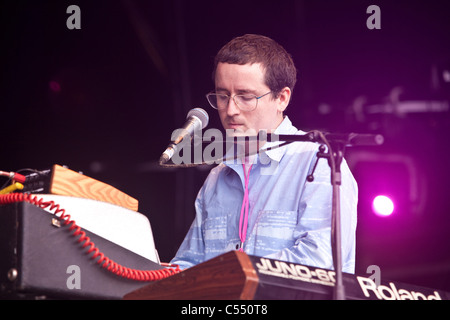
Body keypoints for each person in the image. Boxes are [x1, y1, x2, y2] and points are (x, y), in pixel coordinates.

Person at [170, 34, 358, 273]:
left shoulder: (319, 162)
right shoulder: (218, 176)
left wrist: (233, 276)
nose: (230, 110)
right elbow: (188, 264)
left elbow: (321, 262)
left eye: (245, 97)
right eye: (222, 95)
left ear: (282, 98)